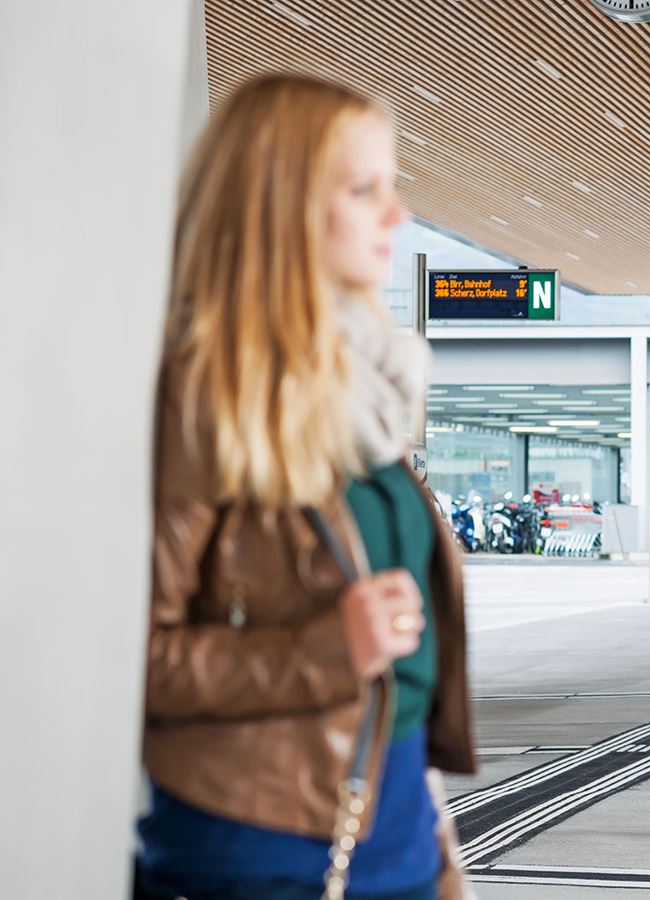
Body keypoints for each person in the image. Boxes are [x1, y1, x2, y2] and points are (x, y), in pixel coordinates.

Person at [136, 74, 475, 900]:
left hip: (394, 824)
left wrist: (435, 840)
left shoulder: (368, 390)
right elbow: (136, 659)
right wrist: (324, 653)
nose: (396, 216)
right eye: (365, 191)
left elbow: (404, 668)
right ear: (278, 206)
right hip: (258, 844)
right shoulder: (203, 392)